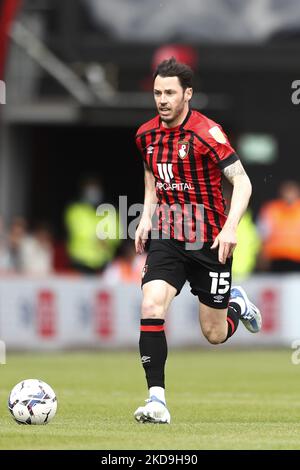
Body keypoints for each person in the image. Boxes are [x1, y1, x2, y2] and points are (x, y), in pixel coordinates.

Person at [133, 57, 262, 424]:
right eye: (158, 92)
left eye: (170, 92)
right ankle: (156, 399)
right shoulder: (145, 135)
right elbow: (151, 176)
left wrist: (231, 227)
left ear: (187, 94)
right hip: (170, 233)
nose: (162, 99)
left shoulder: (207, 133)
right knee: (151, 305)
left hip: (210, 241)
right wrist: (145, 218)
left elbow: (243, 182)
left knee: (214, 333)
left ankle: (237, 306)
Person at [257, 180, 300, 272]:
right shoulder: (271, 209)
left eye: (292, 191)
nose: (289, 195)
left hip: (297, 257)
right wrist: (262, 255)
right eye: (287, 191)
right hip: (275, 257)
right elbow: (262, 235)